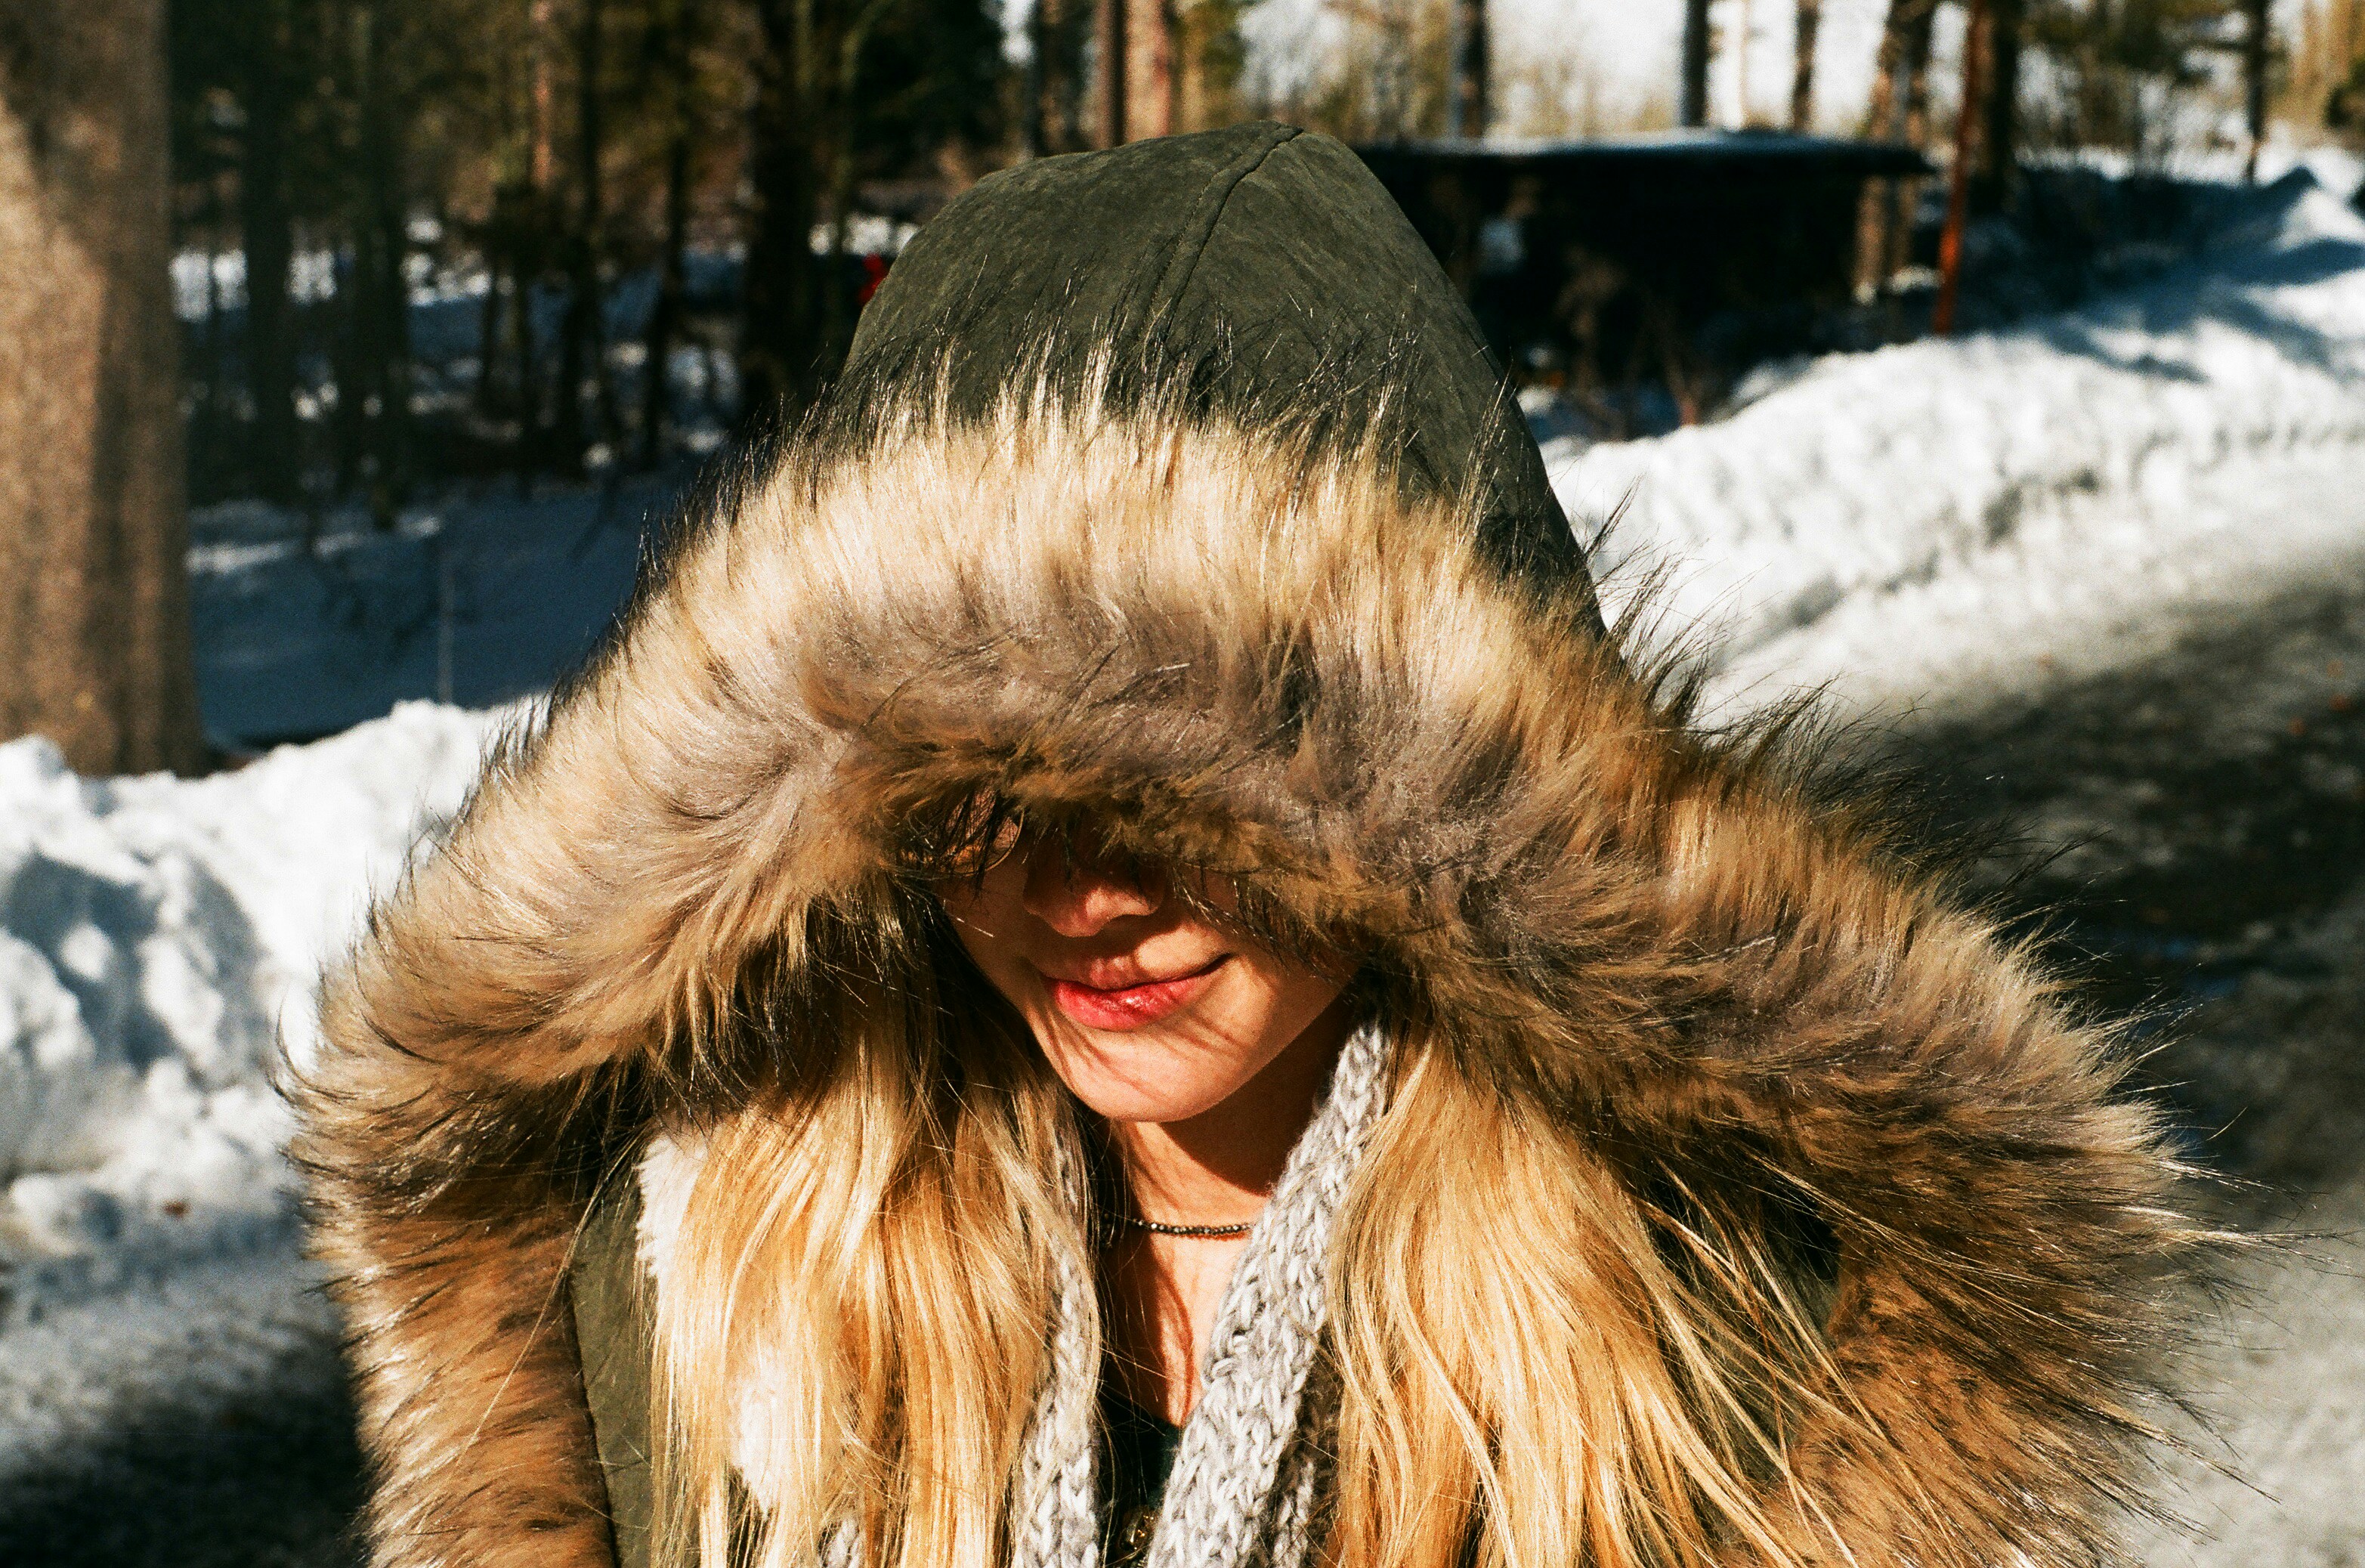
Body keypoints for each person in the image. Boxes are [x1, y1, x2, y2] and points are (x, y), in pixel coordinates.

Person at [294, 123, 2194, 1568]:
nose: (1077, 890)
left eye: (1188, 804)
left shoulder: (1714, 1322)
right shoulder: (699, 1263)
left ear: (1424, 807)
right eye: (964, 796)